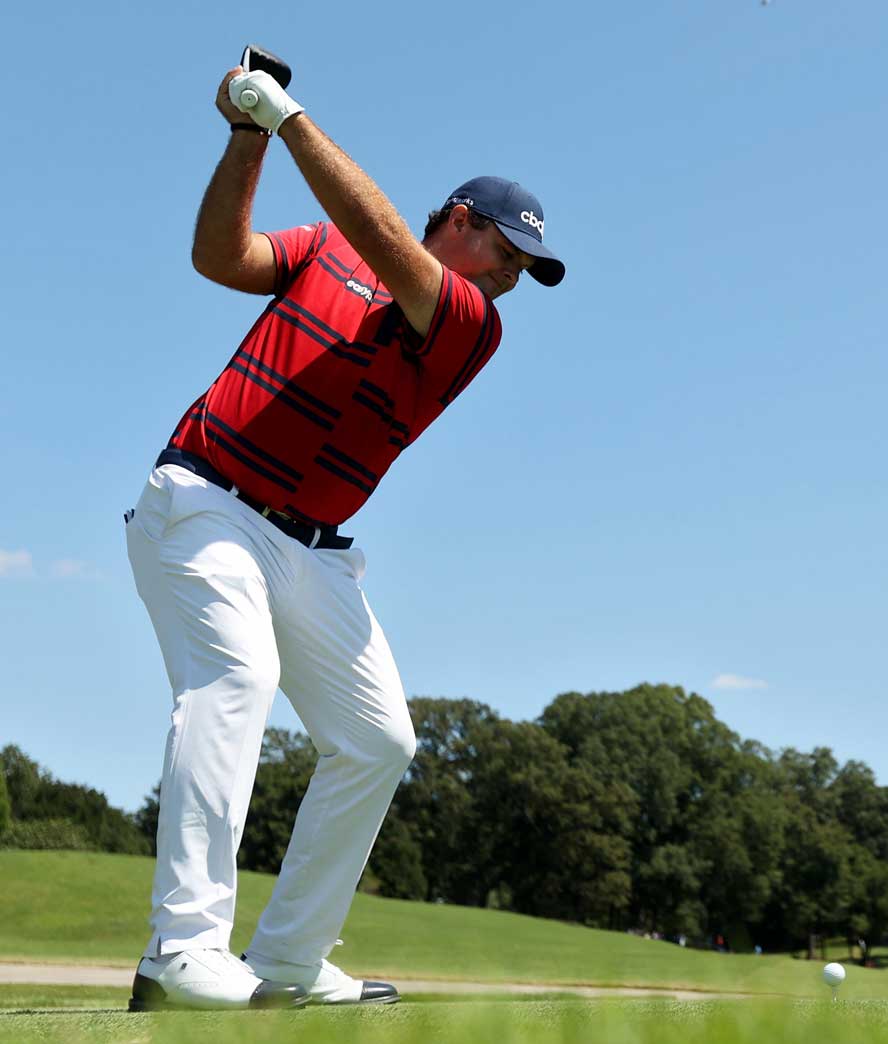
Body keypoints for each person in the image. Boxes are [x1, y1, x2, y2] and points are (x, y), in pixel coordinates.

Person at [123, 57, 565, 1012]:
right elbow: (222, 258)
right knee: (235, 680)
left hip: (313, 548)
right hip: (205, 503)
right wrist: (246, 138)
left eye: (525, 271)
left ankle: (288, 956)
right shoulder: (324, 249)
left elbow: (380, 236)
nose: (510, 279)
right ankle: (181, 950)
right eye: (506, 254)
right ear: (460, 219)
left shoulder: (467, 324)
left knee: (378, 741)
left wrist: (283, 115)